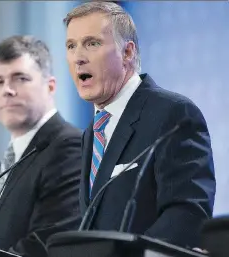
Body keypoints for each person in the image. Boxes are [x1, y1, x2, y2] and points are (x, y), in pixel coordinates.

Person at [64, 2, 216, 248]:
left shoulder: (173, 113)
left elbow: (188, 214)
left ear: (127, 52)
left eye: (92, 43)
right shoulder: (92, 132)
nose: (78, 58)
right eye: (71, 46)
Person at [0, 35, 82, 257]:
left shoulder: (69, 147)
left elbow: (48, 242)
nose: (7, 90)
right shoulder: (2, 168)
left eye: (20, 78)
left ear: (50, 86)